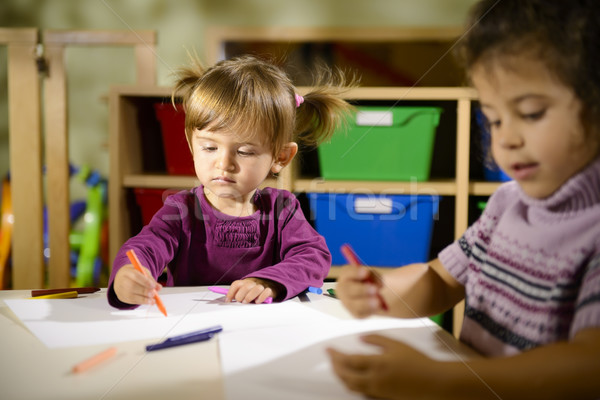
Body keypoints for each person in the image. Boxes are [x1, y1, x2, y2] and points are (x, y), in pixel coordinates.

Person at [327, 1, 600, 399]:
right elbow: (440, 279)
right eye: (494, 119)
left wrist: (444, 381)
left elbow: (589, 364)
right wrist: (381, 290)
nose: (505, 139)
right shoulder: (507, 203)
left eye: (531, 112)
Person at [108, 55, 355, 308]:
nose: (224, 164)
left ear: (280, 157)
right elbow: (147, 246)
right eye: (209, 147)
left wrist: (269, 282)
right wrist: (128, 275)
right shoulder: (180, 209)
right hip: (190, 324)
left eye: (245, 151)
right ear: (192, 144)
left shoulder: (283, 208)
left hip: (261, 330)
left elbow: (313, 257)